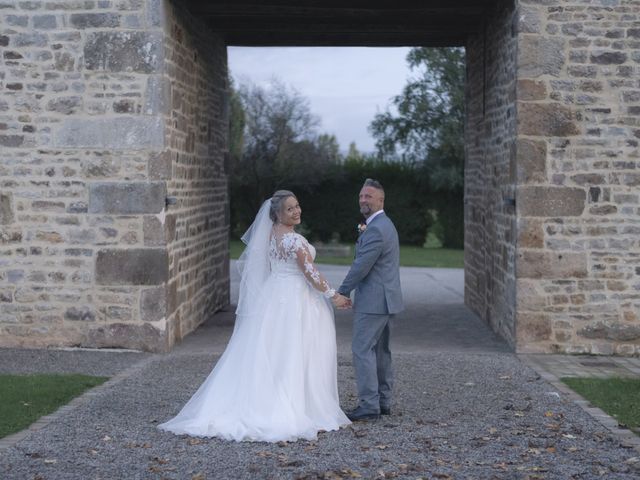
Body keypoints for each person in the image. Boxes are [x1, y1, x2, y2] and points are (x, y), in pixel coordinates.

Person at [158, 191, 350, 442]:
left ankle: (272, 399)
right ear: (277, 214)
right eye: (290, 209)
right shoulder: (294, 241)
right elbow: (309, 272)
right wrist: (333, 295)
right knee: (292, 349)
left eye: (297, 206)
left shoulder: (272, 236)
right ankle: (292, 407)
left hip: (275, 295)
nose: (296, 211)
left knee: (273, 349)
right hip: (293, 299)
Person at [333, 179, 404, 421]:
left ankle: (369, 405)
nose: (363, 200)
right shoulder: (385, 224)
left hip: (374, 301)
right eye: (362, 196)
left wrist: (343, 291)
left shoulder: (375, 228)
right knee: (381, 352)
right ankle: (383, 402)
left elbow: (362, 265)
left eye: (369, 197)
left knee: (362, 350)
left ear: (380, 200)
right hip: (387, 300)